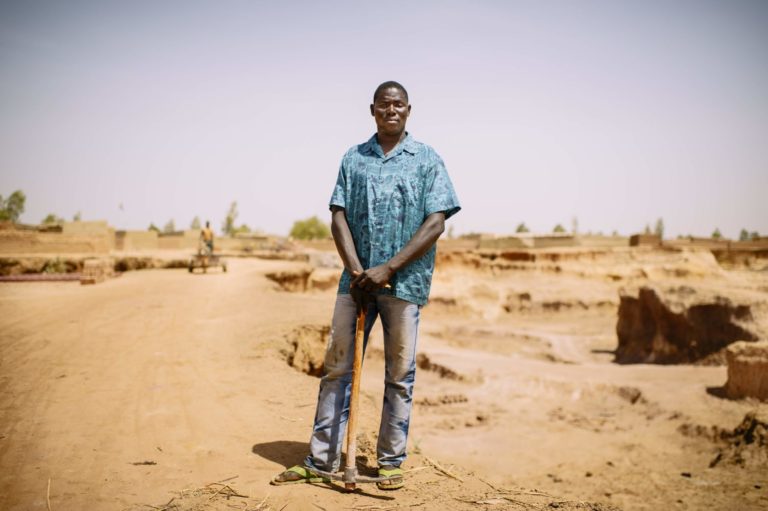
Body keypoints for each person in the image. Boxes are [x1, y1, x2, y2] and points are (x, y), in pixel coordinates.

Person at [272, 81, 460, 490]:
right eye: (383, 105)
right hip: (354, 284)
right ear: (372, 110)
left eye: (398, 105)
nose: (391, 110)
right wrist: (358, 270)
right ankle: (321, 459)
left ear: (408, 110)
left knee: (399, 375)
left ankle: (390, 463)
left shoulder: (427, 159)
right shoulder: (353, 158)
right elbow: (337, 215)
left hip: (404, 284)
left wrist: (388, 269)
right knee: (338, 370)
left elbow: (436, 222)